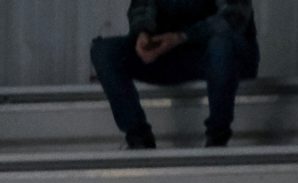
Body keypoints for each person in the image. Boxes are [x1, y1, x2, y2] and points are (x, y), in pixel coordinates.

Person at [89, 1, 259, 150]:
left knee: (221, 46)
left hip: (221, 56)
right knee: (103, 51)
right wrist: (143, 34)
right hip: (172, 53)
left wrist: (183, 37)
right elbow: (141, 7)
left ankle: (217, 138)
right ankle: (139, 138)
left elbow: (233, 17)